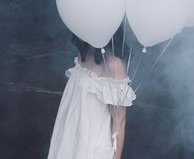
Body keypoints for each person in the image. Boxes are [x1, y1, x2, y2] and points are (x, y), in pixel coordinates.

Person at [47, 26, 136, 159]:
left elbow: (119, 121)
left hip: (93, 147)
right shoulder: (86, 52)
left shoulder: (114, 64)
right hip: (72, 138)